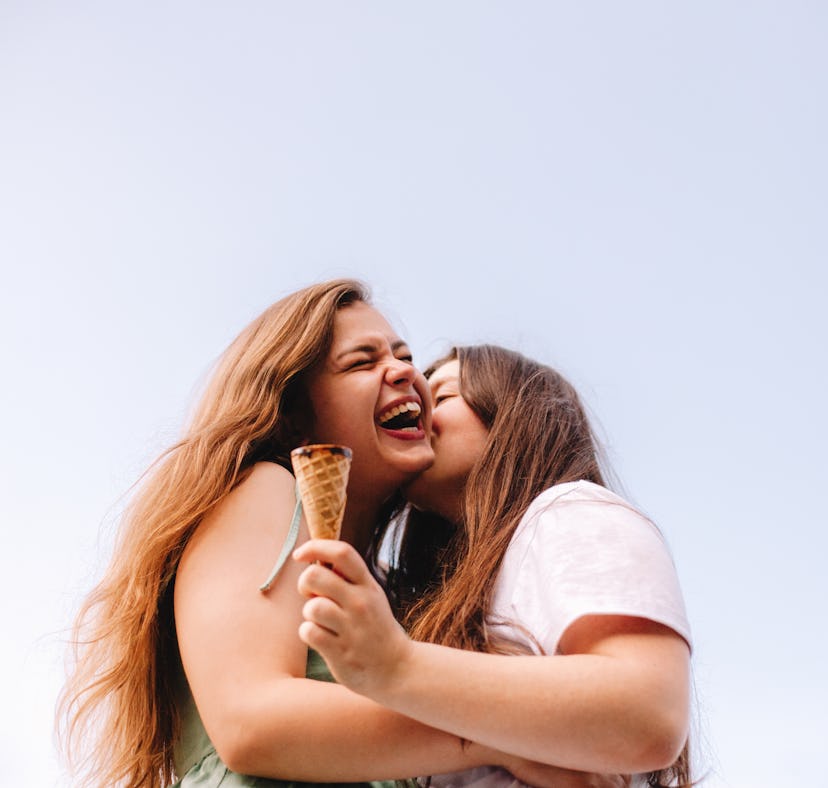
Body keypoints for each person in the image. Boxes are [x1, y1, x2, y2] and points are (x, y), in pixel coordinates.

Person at [58, 281, 624, 788]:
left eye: (406, 358)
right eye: (362, 363)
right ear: (293, 411)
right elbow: (249, 722)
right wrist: (505, 734)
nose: (407, 373)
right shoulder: (265, 487)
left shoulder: (380, 598)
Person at [294, 345, 694, 788]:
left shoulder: (567, 510)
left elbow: (646, 712)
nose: (422, 415)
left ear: (515, 413)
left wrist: (399, 666)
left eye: (442, 398)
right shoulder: (450, 589)